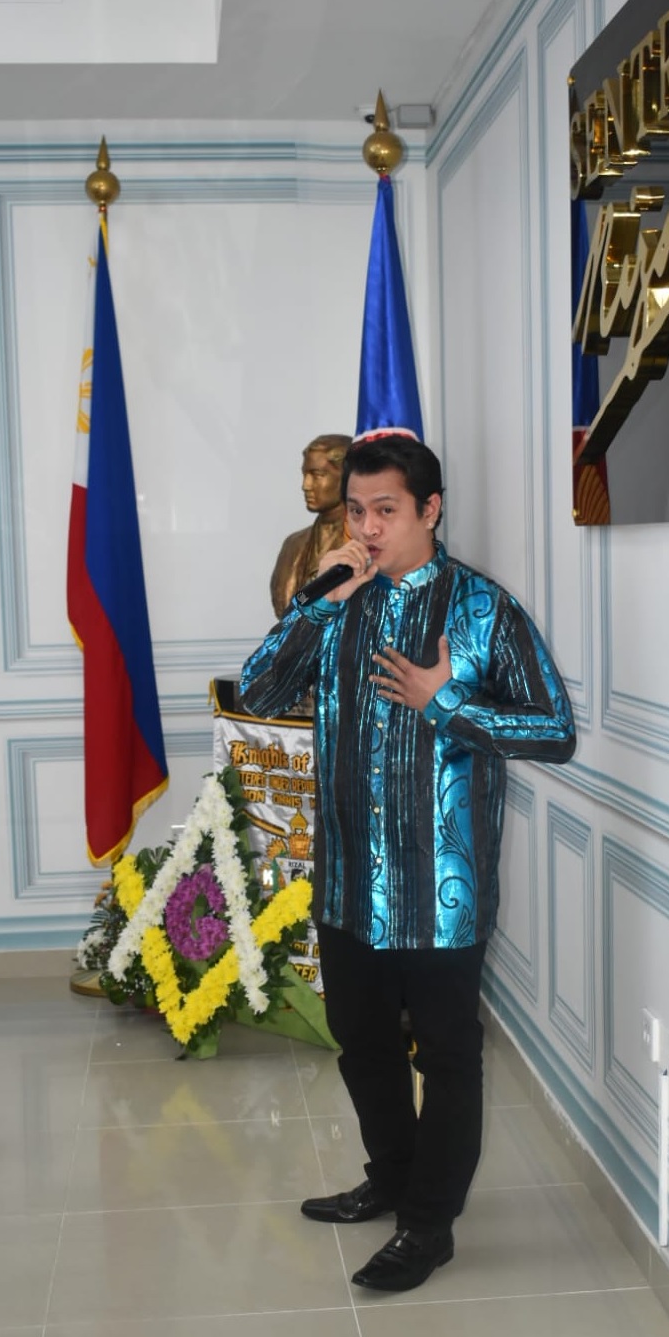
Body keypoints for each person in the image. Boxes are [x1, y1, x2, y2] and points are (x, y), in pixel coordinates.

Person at [239, 435, 574, 1292]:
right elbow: (260, 691)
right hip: (349, 880)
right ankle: (391, 1178)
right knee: (362, 1045)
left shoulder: (483, 610)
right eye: (357, 510)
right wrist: (318, 604)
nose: (367, 528)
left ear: (430, 509)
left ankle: (429, 1226)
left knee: (448, 1058)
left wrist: (445, 699)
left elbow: (554, 730)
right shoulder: (339, 603)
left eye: (385, 510)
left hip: (440, 888)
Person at [268, 432, 354, 615]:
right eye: (305, 474)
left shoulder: (366, 545)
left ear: (347, 477)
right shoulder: (292, 545)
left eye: (317, 475)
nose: (305, 485)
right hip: (294, 632)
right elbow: (284, 607)